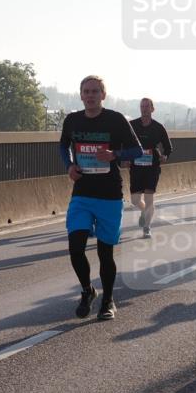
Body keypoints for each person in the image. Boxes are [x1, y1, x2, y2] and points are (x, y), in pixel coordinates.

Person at [60, 75, 142, 320]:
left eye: (95, 91)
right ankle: (88, 290)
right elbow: (63, 145)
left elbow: (137, 150)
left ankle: (107, 300)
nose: (90, 95)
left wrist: (115, 154)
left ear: (103, 95)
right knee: (76, 248)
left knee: (105, 253)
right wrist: (69, 166)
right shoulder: (72, 120)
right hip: (82, 194)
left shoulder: (115, 120)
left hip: (109, 195)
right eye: (86, 91)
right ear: (81, 95)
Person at [129, 98, 173, 238]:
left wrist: (165, 155)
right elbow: (122, 141)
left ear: (152, 109)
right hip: (136, 166)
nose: (144, 109)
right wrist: (123, 157)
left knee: (149, 197)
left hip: (152, 166)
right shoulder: (132, 125)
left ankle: (147, 227)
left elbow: (168, 147)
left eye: (147, 106)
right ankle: (144, 211)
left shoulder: (158, 127)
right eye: (142, 106)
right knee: (135, 200)